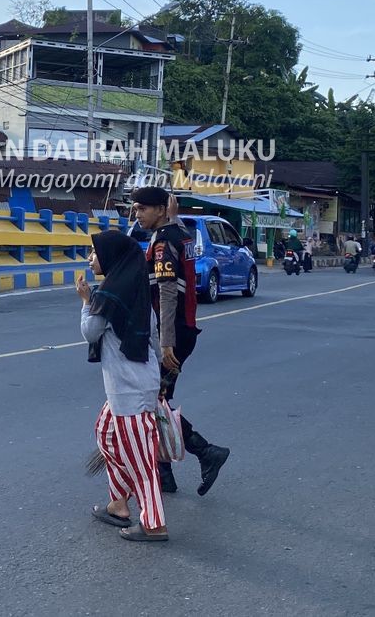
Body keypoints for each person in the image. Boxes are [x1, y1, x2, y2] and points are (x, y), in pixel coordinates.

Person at [129, 186, 230, 496]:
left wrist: (165, 342)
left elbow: (168, 291)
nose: (137, 214)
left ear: (160, 210)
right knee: (156, 401)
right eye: (135, 208)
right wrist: (172, 217)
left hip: (173, 333)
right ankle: (164, 472)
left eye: (143, 208)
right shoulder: (180, 234)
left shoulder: (163, 243)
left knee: (151, 403)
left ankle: (206, 451)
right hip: (182, 330)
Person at [78, 230, 167, 541]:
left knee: (141, 461)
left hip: (129, 389)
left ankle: (154, 523)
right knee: (106, 432)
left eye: (93, 253)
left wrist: (87, 303)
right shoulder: (134, 288)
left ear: (111, 257)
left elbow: (91, 332)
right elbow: (154, 337)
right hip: (137, 384)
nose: (89, 259)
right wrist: (160, 376)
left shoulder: (108, 294)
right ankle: (118, 504)